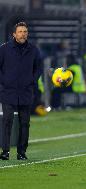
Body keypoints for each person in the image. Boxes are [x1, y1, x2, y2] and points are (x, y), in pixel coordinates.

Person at [0, 22, 42, 160]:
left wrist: (32, 80)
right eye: (20, 32)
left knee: (25, 123)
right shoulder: (4, 49)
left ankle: (21, 152)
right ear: (14, 34)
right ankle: (5, 152)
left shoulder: (33, 50)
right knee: (7, 121)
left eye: (25, 31)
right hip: (8, 92)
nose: (23, 34)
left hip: (25, 91)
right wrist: (3, 84)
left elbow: (38, 68)